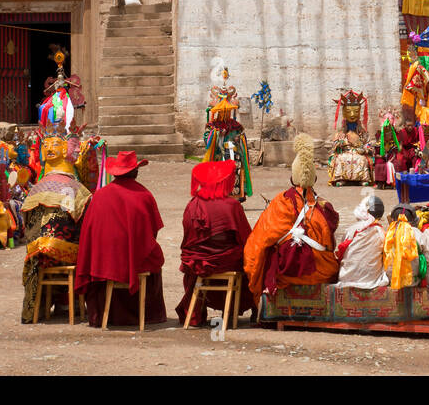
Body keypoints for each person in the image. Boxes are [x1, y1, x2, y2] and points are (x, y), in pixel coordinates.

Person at [75, 150, 167, 328]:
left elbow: (89, 232)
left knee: (105, 260)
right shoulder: (144, 195)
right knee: (155, 258)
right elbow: (152, 232)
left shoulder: (100, 195)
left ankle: (104, 314)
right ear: (136, 172)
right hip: (135, 258)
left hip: (103, 262)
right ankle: (146, 314)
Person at [243, 134, 341, 299]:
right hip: (323, 272)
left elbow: (259, 241)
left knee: (266, 251)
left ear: (291, 178)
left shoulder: (281, 202)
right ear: (314, 179)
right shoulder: (325, 207)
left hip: (289, 273)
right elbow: (330, 244)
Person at [20, 133, 93, 323]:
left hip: (36, 255)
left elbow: (25, 224)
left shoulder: (35, 189)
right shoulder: (78, 189)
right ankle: (72, 303)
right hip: (66, 255)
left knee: (40, 247)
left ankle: (38, 306)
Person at [175, 160, 254, 327]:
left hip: (197, 260)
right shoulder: (232, 205)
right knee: (253, 259)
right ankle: (246, 309)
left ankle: (197, 313)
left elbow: (187, 238)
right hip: (226, 261)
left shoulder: (192, 205)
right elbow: (246, 237)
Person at [202, 68, 252, 198]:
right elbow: (207, 141)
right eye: (222, 111)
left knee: (235, 168)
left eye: (227, 111)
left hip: (233, 157)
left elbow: (242, 141)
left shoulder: (235, 126)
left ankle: (234, 196)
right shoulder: (213, 126)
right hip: (218, 156)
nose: (225, 113)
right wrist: (218, 135)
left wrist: (237, 140)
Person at [335, 190, 388, 289]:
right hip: (371, 280)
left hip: (347, 278)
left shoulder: (351, 230)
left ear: (366, 211)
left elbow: (342, 250)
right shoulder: (381, 232)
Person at [328, 90, 375, 186]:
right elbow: (334, 148)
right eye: (349, 112)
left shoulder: (362, 133)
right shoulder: (341, 133)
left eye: (356, 111)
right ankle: (340, 179)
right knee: (340, 159)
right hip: (346, 152)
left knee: (362, 160)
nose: (352, 114)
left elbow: (369, 145)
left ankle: (363, 179)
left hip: (358, 152)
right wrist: (340, 143)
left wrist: (363, 149)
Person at [382, 205, 425, 289]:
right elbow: (427, 256)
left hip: (392, 279)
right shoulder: (417, 233)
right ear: (414, 220)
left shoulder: (388, 233)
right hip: (412, 280)